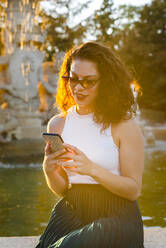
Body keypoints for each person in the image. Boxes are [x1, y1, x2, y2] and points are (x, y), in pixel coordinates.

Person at [36, 41, 144, 248]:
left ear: (107, 82)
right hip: (71, 212)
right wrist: (49, 171)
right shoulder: (58, 123)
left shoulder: (123, 124)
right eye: (73, 79)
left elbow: (133, 190)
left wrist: (91, 169)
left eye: (89, 81)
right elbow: (64, 189)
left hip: (117, 217)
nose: (78, 87)